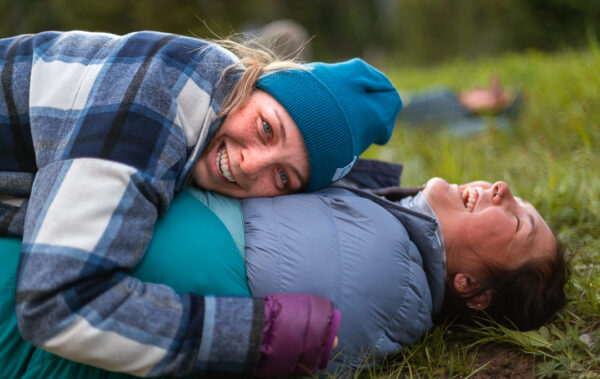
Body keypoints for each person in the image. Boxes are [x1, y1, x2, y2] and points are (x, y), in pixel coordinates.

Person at [0, 30, 401, 377]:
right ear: (257, 81)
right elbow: (55, 304)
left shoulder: (210, 90)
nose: (250, 166)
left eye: (282, 177)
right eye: (266, 128)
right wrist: (261, 337)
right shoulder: (155, 97)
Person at [0, 159, 568, 377]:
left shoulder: (389, 283)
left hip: (68, 273)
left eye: (518, 223)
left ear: (471, 290)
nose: (504, 189)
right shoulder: (392, 231)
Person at [398, 76, 523, 136]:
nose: (480, 88)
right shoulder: (448, 97)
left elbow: (503, 125)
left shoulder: (451, 109)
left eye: (491, 96)